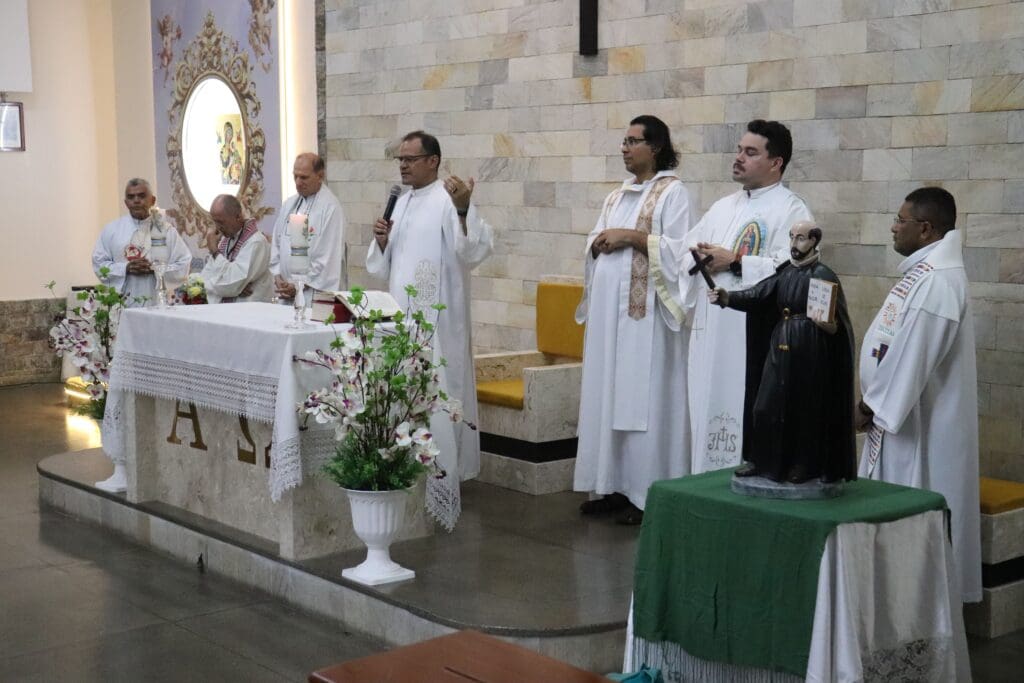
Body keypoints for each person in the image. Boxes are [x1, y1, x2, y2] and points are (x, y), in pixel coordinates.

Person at [856, 187, 981, 604]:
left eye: (900, 219)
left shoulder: (938, 282)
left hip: (919, 428)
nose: (893, 226)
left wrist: (869, 408)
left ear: (926, 229)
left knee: (914, 524)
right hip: (901, 422)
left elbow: (913, 357)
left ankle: (915, 610)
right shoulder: (923, 274)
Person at [366, 130, 494, 527]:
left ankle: (443, 474)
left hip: (439, 322)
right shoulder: (401, 202)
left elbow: (472, 250)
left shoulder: (447, 200)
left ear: (433, 161)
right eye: (399, 159)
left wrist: (463, 209)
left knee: (442, 391)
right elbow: (382, 266)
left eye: (410, 158)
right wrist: (383, 242)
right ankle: (408, 462)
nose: (402, 165)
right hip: (402, 319)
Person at [574, 115, 694, 525]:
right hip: (610, 323)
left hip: (648, 325)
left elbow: (682, 251)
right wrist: (598, 244)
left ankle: (646, 495)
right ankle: (612, 486)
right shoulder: (615, 197)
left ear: (656, 147)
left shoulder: (674, 194)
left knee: (645, 405)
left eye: (633, 141)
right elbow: (593, 239)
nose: (624, 148)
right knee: (609, 399)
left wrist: (633, 237)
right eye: (623, 141)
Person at [681, 120, 813, 473]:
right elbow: (687, 251)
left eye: (750, 152)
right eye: (739, 150)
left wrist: (737, 262)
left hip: (752, 335)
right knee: (707, 404)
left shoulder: (792, 210)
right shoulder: (724, 206)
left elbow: (794, 273)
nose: (738, 157)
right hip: (713, 332)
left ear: (776, 162)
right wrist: (698, 257)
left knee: (745, 411)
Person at [709, 221, 855, 484]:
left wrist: (826, 324)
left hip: (810, 348)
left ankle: (804, 464)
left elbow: (835, 325)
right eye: (792, 238)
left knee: (804, 408)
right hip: (782, 343)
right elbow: (758, 294)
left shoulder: (822, 274)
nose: (794, 244)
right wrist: (727, 297)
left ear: (814, 241)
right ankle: (763, 461)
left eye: (801, 239)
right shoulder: (786, 273)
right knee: (766, 404)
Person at [91, 178, 191, 307]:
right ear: (126, 203)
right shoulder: (112, 230)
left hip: (156, 301)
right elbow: (99, 263)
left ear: (152, 200)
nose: (136, 200)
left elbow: (183, 264)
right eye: (131, 197)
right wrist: (125, 268)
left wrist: (155, 269)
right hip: (122, 303)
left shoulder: (167, 231)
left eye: (142, 196)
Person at [269, 153, 345, 299]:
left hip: (314, 293)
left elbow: (327, 257)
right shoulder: (289, 204)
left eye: (304, 177)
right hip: (285, 291)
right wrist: (278, 276)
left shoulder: (330, 208)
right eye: (295, 176)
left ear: (320, 176)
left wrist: (299, 285)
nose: (298, 182)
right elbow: (277, 244)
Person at [200, 194, 272, 303]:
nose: (217, 227)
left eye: (221, 222)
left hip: (250, 312)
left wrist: (215, 251)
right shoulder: (225, 240)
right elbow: (205, 278)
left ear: (238, 217)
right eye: (214, 222)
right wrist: (235, 289)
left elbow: (231, 283)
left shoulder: (256, 242)